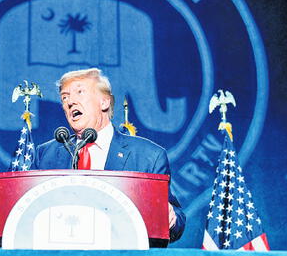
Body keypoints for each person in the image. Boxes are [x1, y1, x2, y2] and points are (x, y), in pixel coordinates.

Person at [32, 67, 186, 244]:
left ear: (104, 102)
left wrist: (170, 218)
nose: (70, 102)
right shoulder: (46, 155)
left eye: (80, 92)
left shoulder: (148, 156)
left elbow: (177, 222)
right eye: (64, 97)